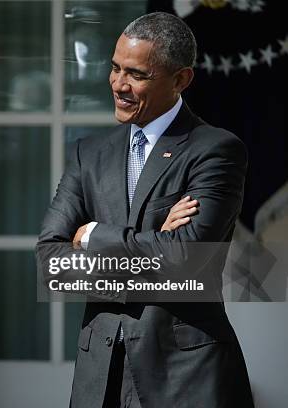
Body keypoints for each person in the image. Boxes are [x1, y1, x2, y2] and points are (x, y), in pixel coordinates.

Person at [37, 12, 253, 408]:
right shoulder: (88, 154)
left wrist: (92, 235)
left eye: (137, 74)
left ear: (181, 80)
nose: (120, 84)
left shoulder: (215, 150)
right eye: (116, 68)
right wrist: (157, 244)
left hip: (185, 377)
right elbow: (52, 265)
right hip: (98, 378)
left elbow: (185, 261)